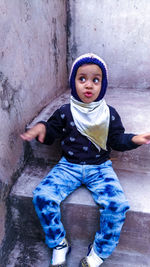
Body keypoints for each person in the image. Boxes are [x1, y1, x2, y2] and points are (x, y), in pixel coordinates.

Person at [20, 53, 150, 267]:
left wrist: (136, 139)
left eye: (95, 80)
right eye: (82, 79)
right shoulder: (65, 111)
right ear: (73, 82)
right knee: (42, 196)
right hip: (68, 167)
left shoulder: (109, 114)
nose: (88, 85)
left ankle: (99, 251)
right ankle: (59, 243)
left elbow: (117, 140)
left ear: (103, 84)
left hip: (100, 168)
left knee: (117, 205)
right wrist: (42, 128)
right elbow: (52, 130)